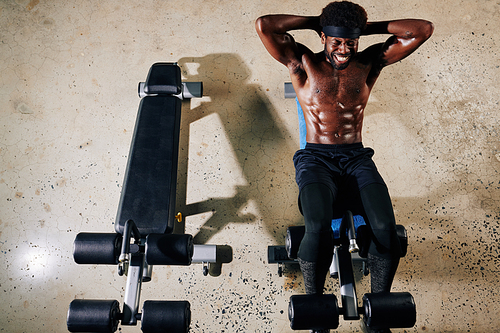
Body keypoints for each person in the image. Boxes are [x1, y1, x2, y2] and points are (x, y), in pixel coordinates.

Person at [256, 2, 433, 332]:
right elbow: (265, 25)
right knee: (318, 226)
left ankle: (379, 310)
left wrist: (364, 30)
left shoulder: (369, 62)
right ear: (323, 37)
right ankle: (315, 306)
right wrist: (319, 22)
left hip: (356, 158)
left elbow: (421, 29)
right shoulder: (303, 62)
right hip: (316, 160)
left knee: (385, 228)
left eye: (350, 42)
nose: (343, 49)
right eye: (336, 41)